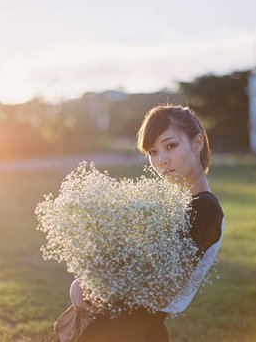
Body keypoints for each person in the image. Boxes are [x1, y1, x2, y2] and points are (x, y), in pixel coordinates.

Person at [64, 105, 225, 342]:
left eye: (171, 146)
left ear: (197, 143)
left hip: (133, 329)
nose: (162, 160)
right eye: (152, 152)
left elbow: (161, 291)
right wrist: (83, 284)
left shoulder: (205, 209)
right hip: (118, 324)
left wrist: (98, 283)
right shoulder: (171, 204)